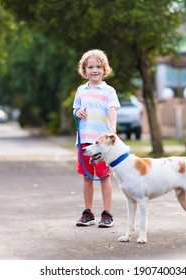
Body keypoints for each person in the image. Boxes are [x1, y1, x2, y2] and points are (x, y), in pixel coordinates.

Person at [73, 49, 120, 228]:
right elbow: (75, 110)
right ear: (84, 70)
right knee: (87, 176)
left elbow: (112, 109)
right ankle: (88, 212)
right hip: (84, 140)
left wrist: (113, 127)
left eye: (98, 67)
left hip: (101, 143)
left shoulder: (109, 90)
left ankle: (107, 213)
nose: (95, 70)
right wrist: (78, 112)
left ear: (104, 69)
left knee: (104, 176)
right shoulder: (81, 90)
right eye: (90, 67)